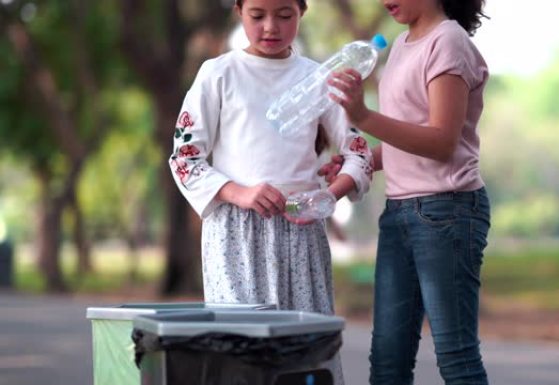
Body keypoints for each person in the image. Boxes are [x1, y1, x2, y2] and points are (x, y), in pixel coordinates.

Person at [168, 0, 373, 383]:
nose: (270, 27)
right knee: (240, 352)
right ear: (238, 11)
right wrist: (238, 193)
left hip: (302, 234)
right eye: (257, 15)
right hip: (235, 238)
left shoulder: (319, 79)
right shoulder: (218, 74)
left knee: (306, 350)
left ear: (302, 12)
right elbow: (185, 157)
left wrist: (332, 194)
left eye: (284, 15)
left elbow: (358, 153)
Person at [321, 0, 490, 384]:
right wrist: (360, 160)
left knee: (456, 358)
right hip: (400, 212)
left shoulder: (448, 41)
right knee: (387, 362)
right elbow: (407, 135)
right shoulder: (400, 45)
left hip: (446, 210)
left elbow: (442, 141)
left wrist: (363, 117)